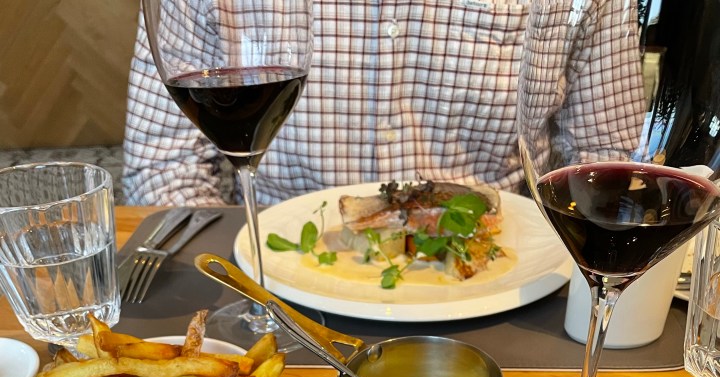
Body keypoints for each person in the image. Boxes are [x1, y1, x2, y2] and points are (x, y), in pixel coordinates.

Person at [122, 0, 646, 208]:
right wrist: (249, 273)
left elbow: (607, 165)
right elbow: (164, 168)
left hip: (499, 274)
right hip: (277, 285)